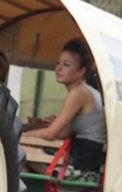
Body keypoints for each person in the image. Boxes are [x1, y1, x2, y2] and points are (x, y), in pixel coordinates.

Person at [22, 39, 105, 173]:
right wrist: (33, 130)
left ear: (81, 71)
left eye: (66, 64)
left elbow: (51, 133)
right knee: (21, 163)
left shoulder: (79, 93)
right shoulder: (86, 91)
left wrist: (20, 135)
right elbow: (63, 133)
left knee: (16, 148)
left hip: (82, 160)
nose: (58, 68)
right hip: (88, 156)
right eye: (57, 63)